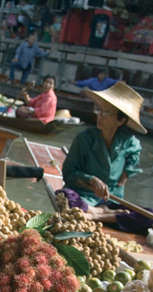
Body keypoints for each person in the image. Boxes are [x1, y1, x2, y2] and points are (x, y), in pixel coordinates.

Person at [59, 82, 149, 233]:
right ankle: (101, 212)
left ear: (120, 120)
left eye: (106, 113)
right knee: (64, 196)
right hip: (85, 197)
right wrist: (91, 179)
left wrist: (127, 172)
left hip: (112, 200)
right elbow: (68, 173)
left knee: (149, 215)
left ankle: (97, 216)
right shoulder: (85, 138)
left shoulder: (128, 140)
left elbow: (136, 151)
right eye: (99, 110)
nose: (99, 115)